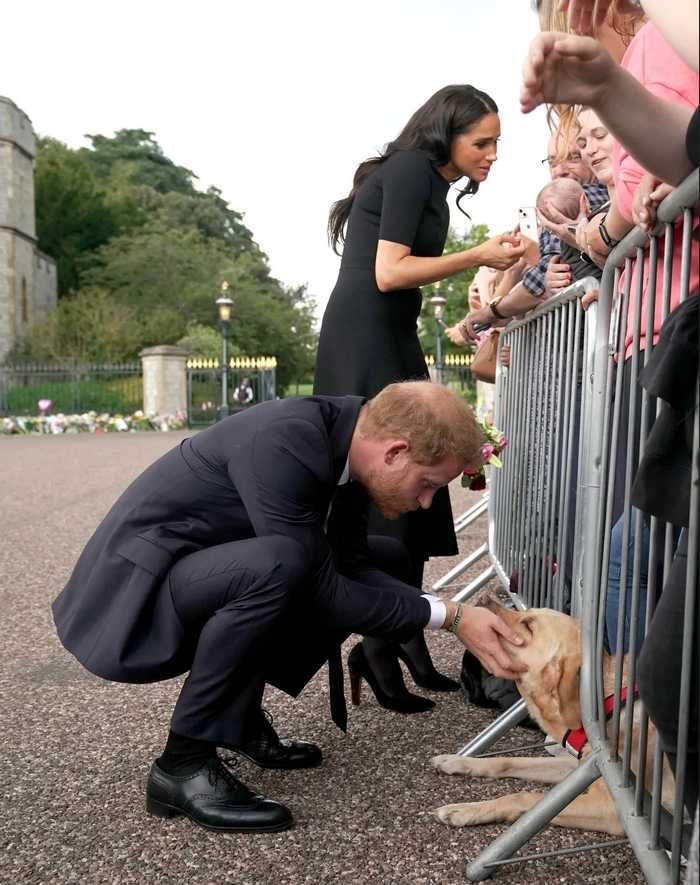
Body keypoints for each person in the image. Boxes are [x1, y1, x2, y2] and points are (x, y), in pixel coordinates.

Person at [52, 381, 527, 833]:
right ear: (395, 451)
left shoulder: (348, 443)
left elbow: (352, 568)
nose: (425, 503)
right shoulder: (288, 438)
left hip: (197, 573)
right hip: (134, 593)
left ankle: (237, 722)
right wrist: (454, 618)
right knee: (283, 565)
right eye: (427, 484)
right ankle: (182, 764)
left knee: (383, 556)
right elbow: (319, 588)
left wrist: (446, 608)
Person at [314, 84, 527, 713]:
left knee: (416, 483)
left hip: (389, 331)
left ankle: (399, 635)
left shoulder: (429, 182)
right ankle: (385, 642)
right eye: (481, 142)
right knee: (392, 480)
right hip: (365, 333)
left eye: (496, 144)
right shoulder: (409, 169)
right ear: (447, 134)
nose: (491, 155)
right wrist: (480, 255)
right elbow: (388, 271)